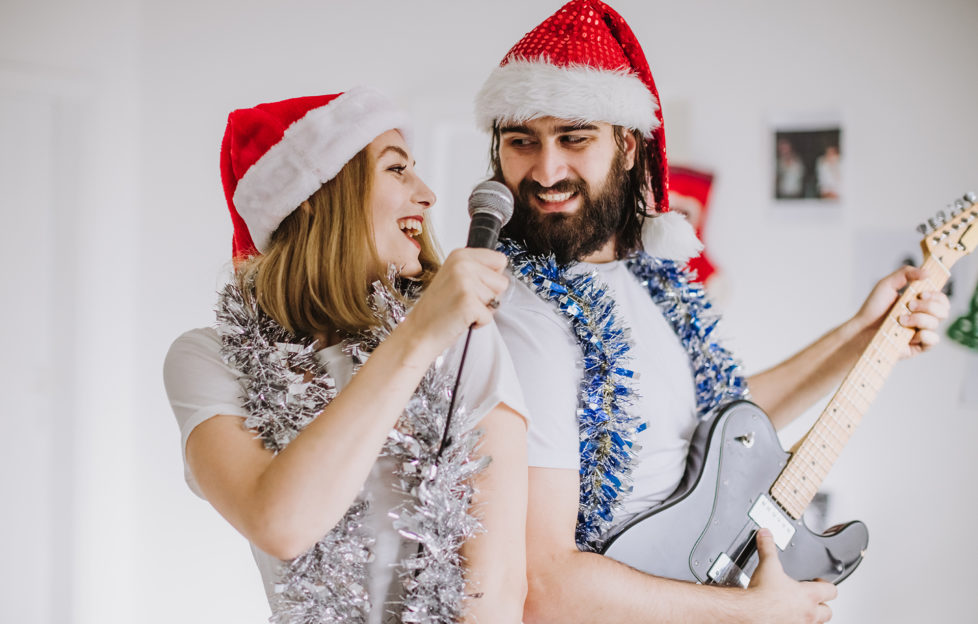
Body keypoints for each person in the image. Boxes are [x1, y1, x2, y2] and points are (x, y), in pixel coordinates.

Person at [473, 2, 950, 623]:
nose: (546, 169)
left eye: (574, 137)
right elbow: (544, 582)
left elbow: (716, 434)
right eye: (521, 141)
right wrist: (750, 612)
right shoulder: (521, 314)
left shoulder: (647, 277)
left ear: (626, 145)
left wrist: (863, 334)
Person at [163, 88, 528, 624]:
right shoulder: (212, 359)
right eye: (396, 170)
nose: (426, 196)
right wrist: (418, 335)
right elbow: (280, 522)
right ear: (313, 195)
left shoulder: (465, 336)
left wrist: (430, 329)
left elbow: (494, 587)